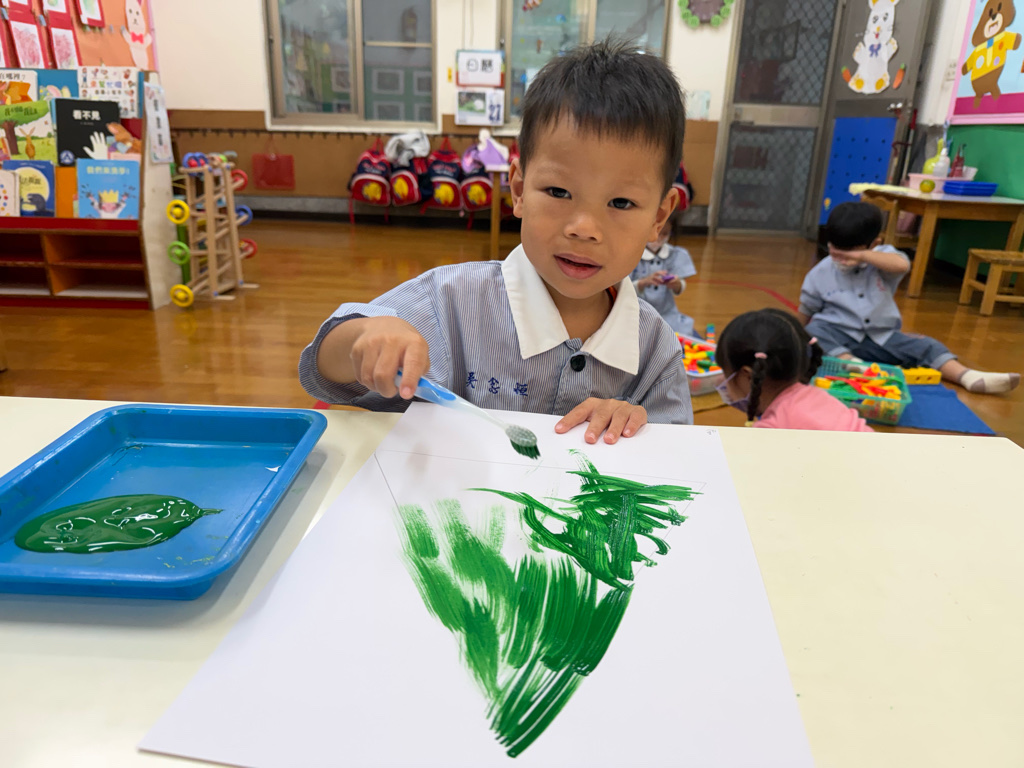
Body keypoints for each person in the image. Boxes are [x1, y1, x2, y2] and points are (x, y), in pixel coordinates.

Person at [299, 40, 693, 444]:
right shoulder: (451, 302)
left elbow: (679, 451)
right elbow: (323, 368)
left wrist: (636, 424)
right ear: (518, 189)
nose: (584, 228)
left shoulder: (656, 349)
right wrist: (364, 339)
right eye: (559, 192)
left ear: (658, 217)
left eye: (621, 203)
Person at [800, 202, 1019, 394]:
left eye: (850, 252)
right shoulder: (819, 274)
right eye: (835, 251)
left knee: (927, 345)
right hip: (838, 337)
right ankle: (854, 366)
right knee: (814, 331)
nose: (842, 259)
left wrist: (863, 256)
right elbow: (805, 313)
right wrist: (797, 339)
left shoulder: (882, 259)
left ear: (874, 244)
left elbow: (902, 265)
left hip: (882, 337)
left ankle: (967, 376)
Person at [715, 308, 873, 431]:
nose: (722, 381)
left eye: (726, 374)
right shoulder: (818, 396)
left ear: (748, 376)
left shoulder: (771, 430)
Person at [631, 217, 698, 336]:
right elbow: (622, 288)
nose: (659, 237)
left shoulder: (675, 254)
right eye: (656, 232)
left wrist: (676, 284)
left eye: (665, 234)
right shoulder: (631, 255)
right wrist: (643, 282)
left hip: (666, 313)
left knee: (678, 335)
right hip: (636, 312)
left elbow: (680, 286)